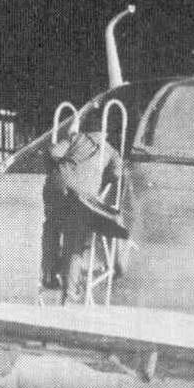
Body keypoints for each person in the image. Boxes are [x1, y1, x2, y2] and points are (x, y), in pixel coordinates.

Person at [41, 126, 126, 304]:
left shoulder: (76, 138)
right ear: (106, 133)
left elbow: (53, 152)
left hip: (55, 188)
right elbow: (116, 174)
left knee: (51, 227)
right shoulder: (111, 151)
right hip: (81, 197)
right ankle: (70, 292)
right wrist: (97, 179)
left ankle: (49, 275)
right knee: (75, 241)